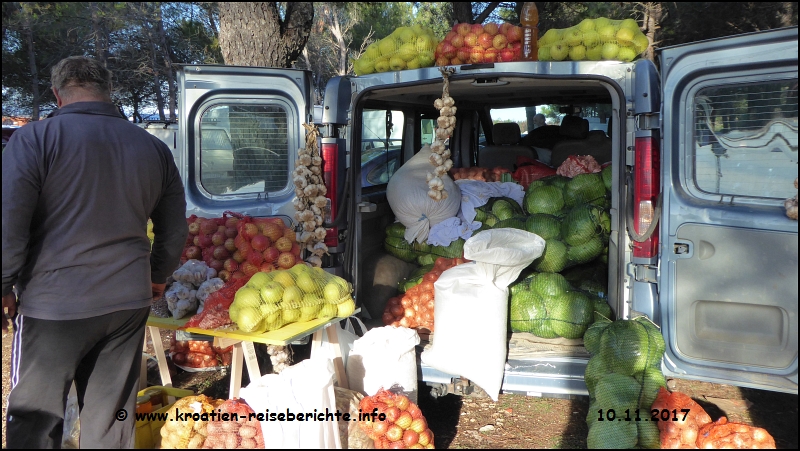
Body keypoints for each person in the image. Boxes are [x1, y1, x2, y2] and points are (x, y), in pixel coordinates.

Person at [2, 56, 188, 448]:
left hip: (53, 306)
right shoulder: (152, 147)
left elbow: (9, 222)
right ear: (109, 91)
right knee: (112, 419)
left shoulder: (34, 140)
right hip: (125, 302)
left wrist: (3, 282)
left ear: (57, 93)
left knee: (36, 420)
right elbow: (173, 229)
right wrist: (157, 276)